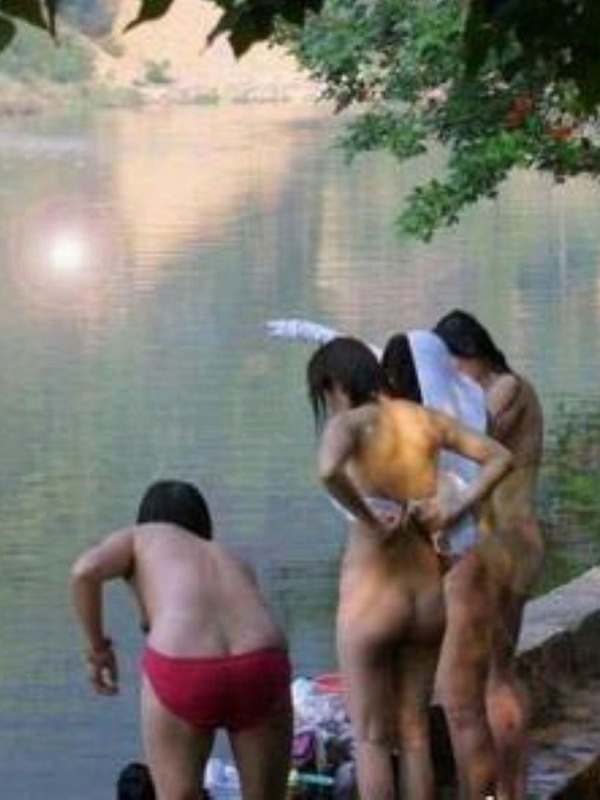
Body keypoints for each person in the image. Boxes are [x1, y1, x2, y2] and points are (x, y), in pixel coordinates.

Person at [306, 337, 513, 800]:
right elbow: (501, 457)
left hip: (371, 598)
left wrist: (366, 514)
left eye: (324, 395)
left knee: (371, 738)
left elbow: (327, 471)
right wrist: (457, 505)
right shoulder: (424, 419)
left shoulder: (351, 424)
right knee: (415, 734)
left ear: (335, 384)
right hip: (425, 598)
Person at [70, 479, 293, 800]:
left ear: (146, 518)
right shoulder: (231, 559)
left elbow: (84, 571)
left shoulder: (140, 537)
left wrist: (98, 650)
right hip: (262, 661)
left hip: (186, 668)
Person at [434, 309, 544, 800]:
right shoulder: (508, 386)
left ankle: (504, 790)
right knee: (499, 671)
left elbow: (469, 443)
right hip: (514, 540)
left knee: (489, 681)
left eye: (454, 366)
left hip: (501, 542)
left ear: (471, 354)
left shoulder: (505, 388)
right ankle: (509, 788)